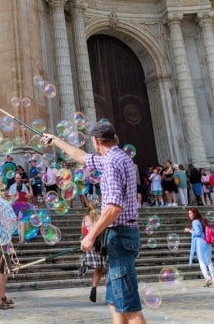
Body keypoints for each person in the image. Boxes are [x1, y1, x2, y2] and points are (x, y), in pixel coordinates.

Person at [42, 121, 147, 324]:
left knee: (128, 305)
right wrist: (56, 141)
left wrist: (91, 234)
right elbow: (83, 157)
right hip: (121, 236)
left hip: (120, 235)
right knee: (115, 302)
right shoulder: (118, 157)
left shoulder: (111, 163)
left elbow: (113, 207)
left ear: (96, 141)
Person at [184, 207, 214, 287]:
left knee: (202, 261)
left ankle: (207, 277)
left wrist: (189, 230)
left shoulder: (195, 222)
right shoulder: (201, 220)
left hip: (200, 243)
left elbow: (198, 233)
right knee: (208, 261)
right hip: (206, 242)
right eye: (188, 213)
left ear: (194, 214)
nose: (189, 215)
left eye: (190, 213)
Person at [80, 201, 107, 303]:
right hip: (101, 246)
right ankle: (109, 295)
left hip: (91, 247)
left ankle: (93, 288)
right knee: (107, 270)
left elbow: (83, 232)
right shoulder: (101, 217)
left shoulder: (85, 218)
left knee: (98, 269)